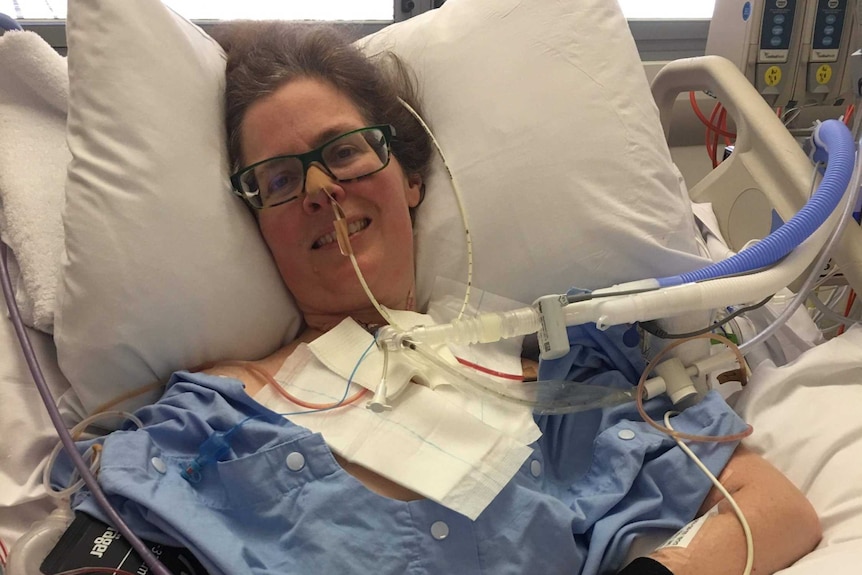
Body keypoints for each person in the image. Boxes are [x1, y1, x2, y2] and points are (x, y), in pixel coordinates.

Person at [56, 21, 821, 575]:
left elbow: (771, 506)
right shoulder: (211, 415)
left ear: (409, 176)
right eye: (282, 179)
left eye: (344, 151)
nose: (321, 189)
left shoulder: (566, 385)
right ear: (259, 221)